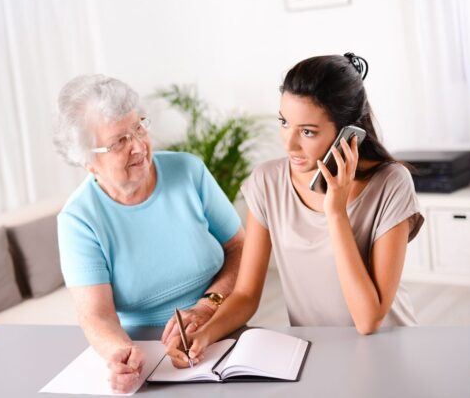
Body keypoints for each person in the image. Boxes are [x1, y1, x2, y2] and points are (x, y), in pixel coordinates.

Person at [166, 53, 424, 368]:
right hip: (313, 355)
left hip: (388, 351)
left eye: (308, 132)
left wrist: (337, 212)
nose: (289, 144)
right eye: (284, 122)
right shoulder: (266, 181)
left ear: (348, 134)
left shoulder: (391, 183)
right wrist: (204, 336)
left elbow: (369, 320)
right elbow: (246, 294)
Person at [52, 74, 244, 392]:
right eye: (119, 141)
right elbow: (96, 316)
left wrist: (206, 306)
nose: (139, 146)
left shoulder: (189, 171)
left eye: (139, 127)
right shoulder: (78, 220)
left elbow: (240, 247)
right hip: (147, 357)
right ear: (88, 162)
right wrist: (120, 354)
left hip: (221, 330)